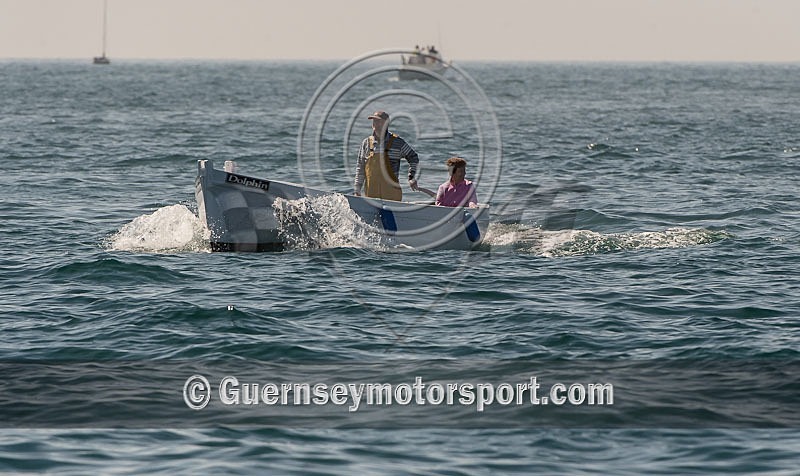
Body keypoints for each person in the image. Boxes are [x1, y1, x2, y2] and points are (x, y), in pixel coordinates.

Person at [353, 110, 419, 201]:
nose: (375, 124)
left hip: (391, 196)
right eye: (374, 121)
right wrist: (357, 190)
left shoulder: (397, 142)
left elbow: (414, 158)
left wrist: (411, 177)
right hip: (371, 196)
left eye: (378, 121)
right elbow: (360, 168)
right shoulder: (366, 143)